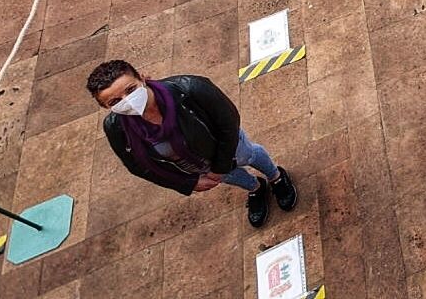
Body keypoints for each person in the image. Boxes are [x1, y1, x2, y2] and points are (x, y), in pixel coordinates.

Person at [88, 59, 296, 229]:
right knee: (230, 177)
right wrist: (187, 182)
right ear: (105, 107)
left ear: (143, 78)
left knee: (249, 155)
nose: (128, 101)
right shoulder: (116, 128)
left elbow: (228, 123)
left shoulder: (191, 88)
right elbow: (137, 166)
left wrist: (219, 167)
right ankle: (255, 187)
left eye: (130, 89)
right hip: (196, 166)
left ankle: (276, 176)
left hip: (227, 146)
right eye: (115, 102)